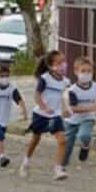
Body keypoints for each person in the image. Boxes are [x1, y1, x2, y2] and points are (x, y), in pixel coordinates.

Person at [21, 49, 71, 181]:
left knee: (62, 140)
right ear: (50, 65)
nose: (63, 65)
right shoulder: (45, 79)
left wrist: (66, 109)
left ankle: (58, 169)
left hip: (55, 115)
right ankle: (26, 162)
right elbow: (37, 96)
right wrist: (44, 107)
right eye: (59, 62)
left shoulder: (66, 81)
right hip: (40, 114)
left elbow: (64, 97)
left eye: (64, 62)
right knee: (35, 139)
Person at [61, 57, 96, 173]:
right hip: (71, 121)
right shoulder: (72, 90)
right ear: (76, 72)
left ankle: (85, 147)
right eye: (83, 71)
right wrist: (92, 108)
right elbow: (74, 108)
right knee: (67, 145)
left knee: (84, 136)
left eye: (89, 71)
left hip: (88, 118)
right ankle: (62, 166)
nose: (86, 74)